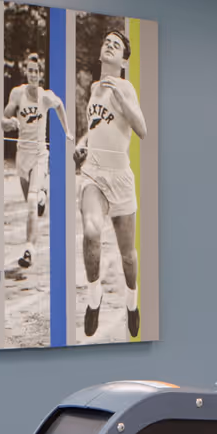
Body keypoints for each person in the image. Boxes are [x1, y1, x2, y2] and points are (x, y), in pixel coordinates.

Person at [74, 28, 147, 338]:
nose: (110, 45)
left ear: (123, 59)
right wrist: (82, 141)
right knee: (91, 231)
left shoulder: (125, 87)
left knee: (127, 254)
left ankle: (131, 302)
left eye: (116, 44)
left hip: (120, 179)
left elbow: (142, 130)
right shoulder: (93, 88)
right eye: (107, 42)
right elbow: (96, 126)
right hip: (93, 173)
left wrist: (120, 97)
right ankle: (94, 298)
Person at [2, 51, 70, 272]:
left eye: (36, 72)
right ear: (26, 72)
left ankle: (29, 249)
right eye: (30, 71)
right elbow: (3, 119)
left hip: (40, 154)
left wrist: (67, 131)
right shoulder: (17, 94)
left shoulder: (46, 96)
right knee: (30, 200)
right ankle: (42, 195)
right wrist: (9, 122)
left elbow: (60, 106)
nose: (33, 75)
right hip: (22, 156)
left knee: (31, 202)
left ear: (40, 75)